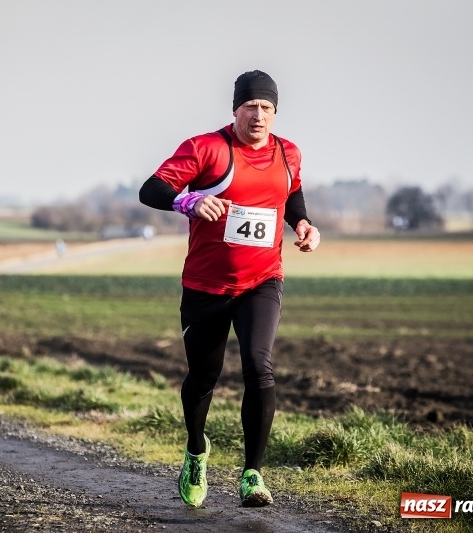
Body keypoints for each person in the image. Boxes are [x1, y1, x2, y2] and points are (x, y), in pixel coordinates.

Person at [138, 70, 320, 508]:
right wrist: (189, 200)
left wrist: (303, 224)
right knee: (204, 375)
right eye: (250, 107)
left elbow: (291, 194)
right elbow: (151, 189)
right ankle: (196, 452)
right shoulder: (206, 149)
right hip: (206, 285)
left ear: (275, 112)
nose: (258, 116)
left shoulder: (288, 152)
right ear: (235, 109)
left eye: (267, 108)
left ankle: (253, 474)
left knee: (259, 366)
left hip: (263, 279)